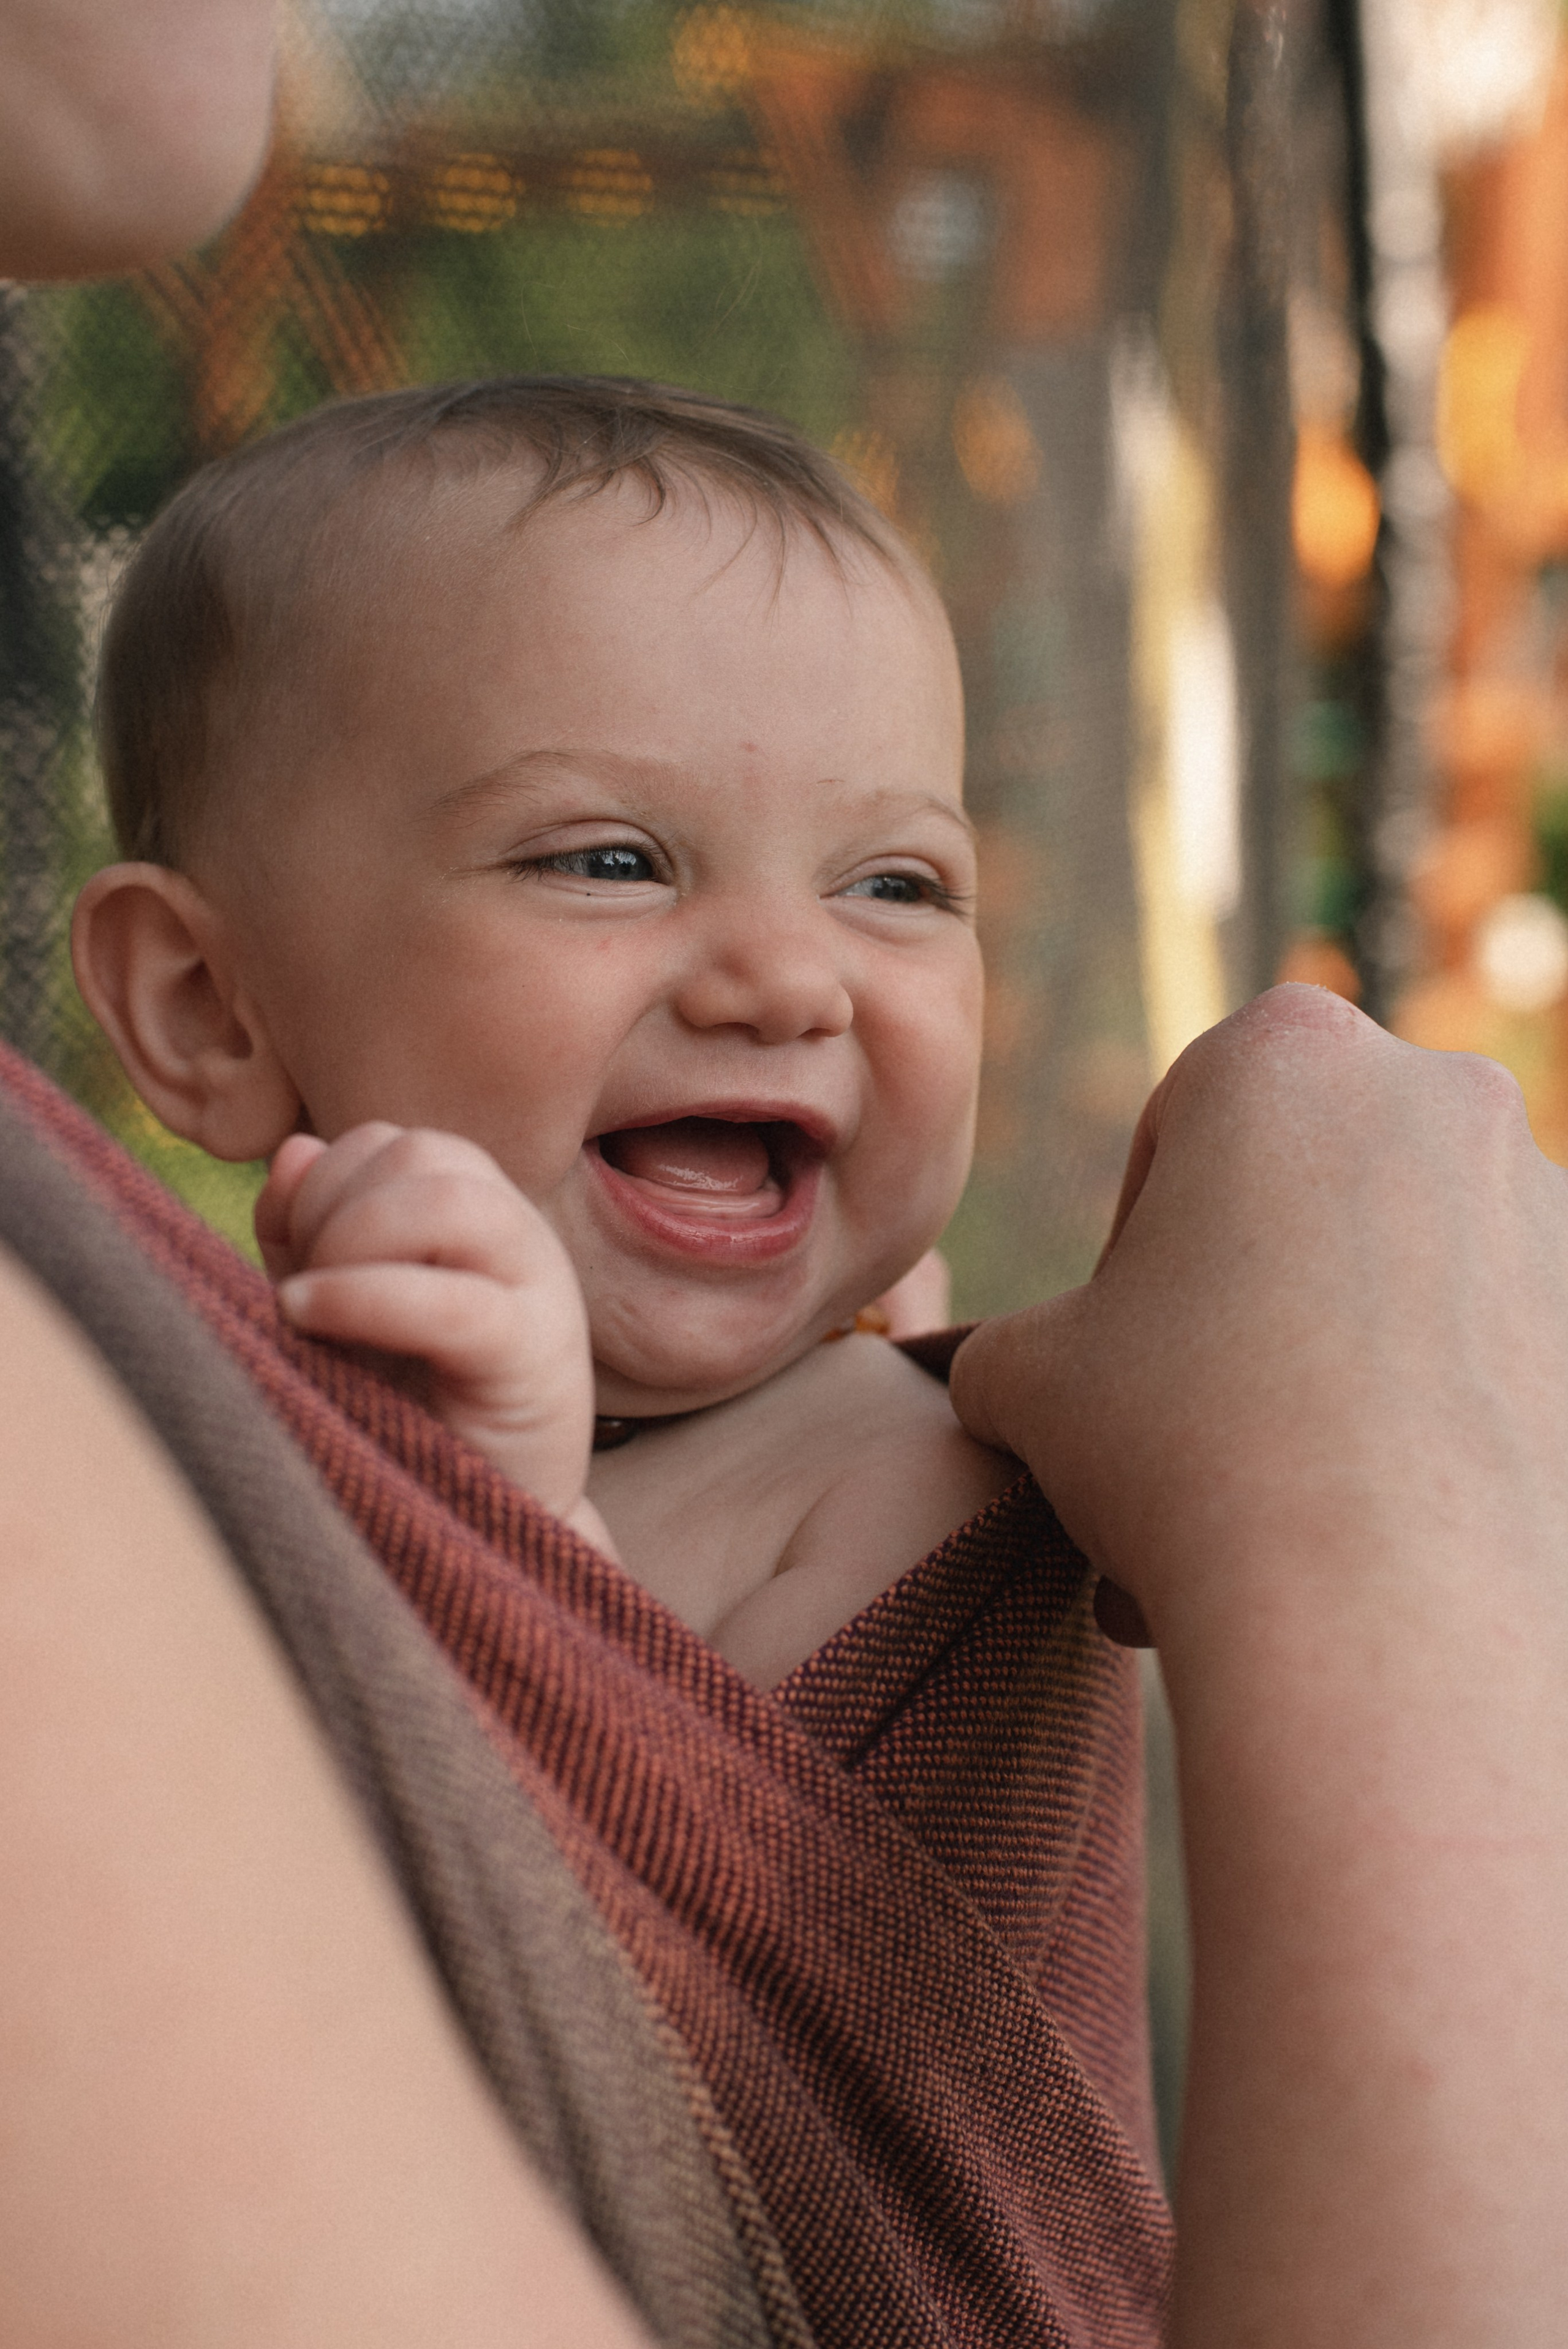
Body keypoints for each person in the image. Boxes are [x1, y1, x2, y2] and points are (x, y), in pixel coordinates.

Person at [70, 378, 1017, 1689]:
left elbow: (729, 1839)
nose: (792, 982)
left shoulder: (918, 1487)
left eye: (894, 886)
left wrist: (513, 1538)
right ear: (207, 1007)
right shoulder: (128, 1419)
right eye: (609, 862)